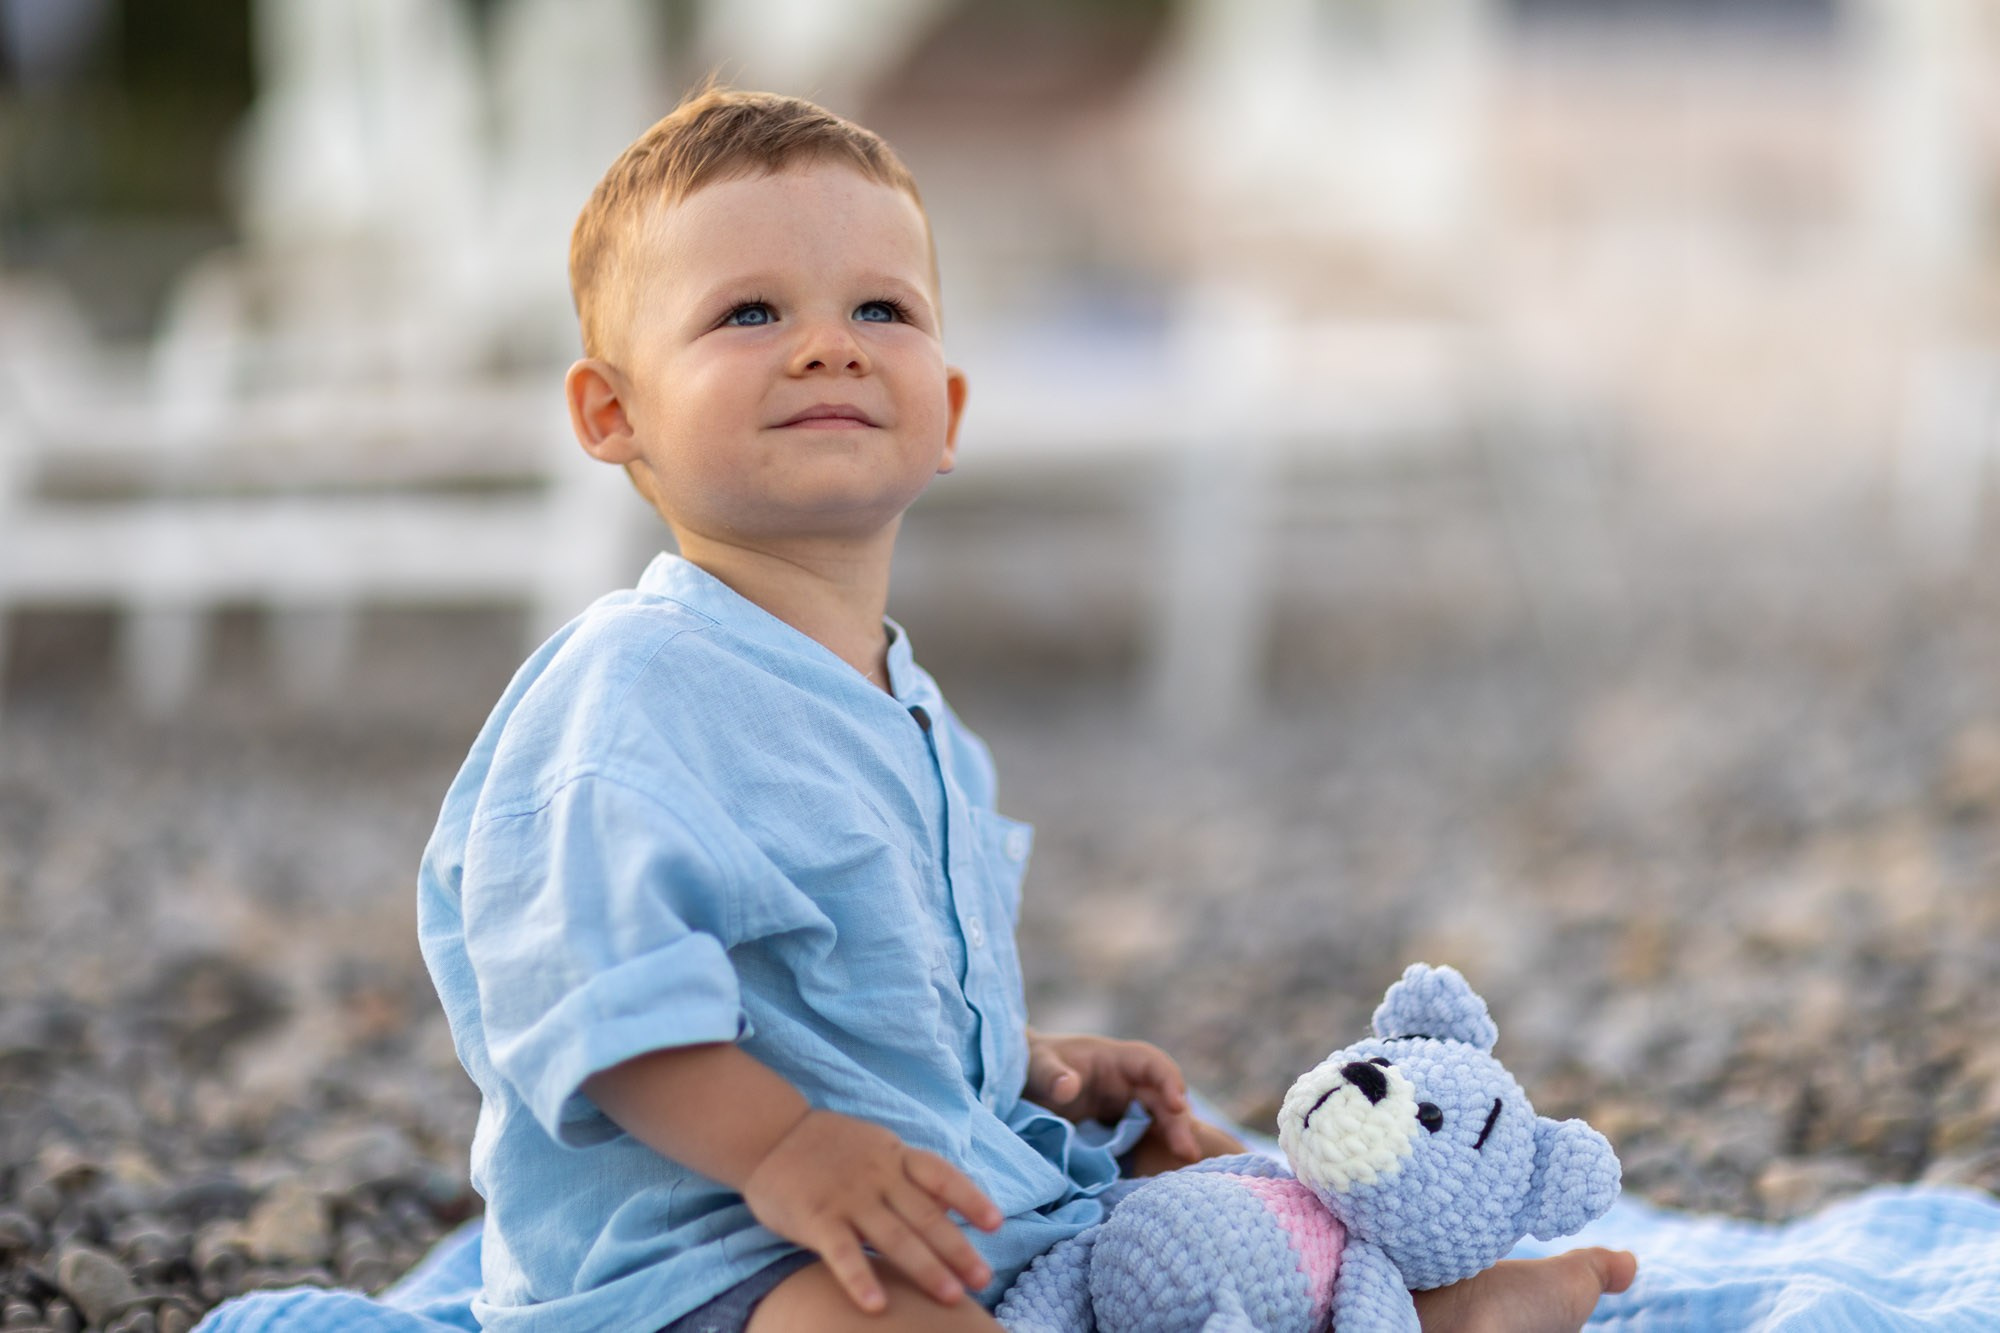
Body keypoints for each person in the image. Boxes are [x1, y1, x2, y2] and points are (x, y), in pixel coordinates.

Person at [416, 84, 1636, 1333]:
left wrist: (1031, 1066)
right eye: (748, 311)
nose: (826, 342)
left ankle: (1418, 1309)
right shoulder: (627, 688)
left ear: (944, 412)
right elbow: (596, 1003)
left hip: (953, 1210)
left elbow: (859, 1002)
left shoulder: (910, 708)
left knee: (1222, 1231)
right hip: (705, 1256)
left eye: (879, 308)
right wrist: (786, 1152)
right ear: (612, 413)